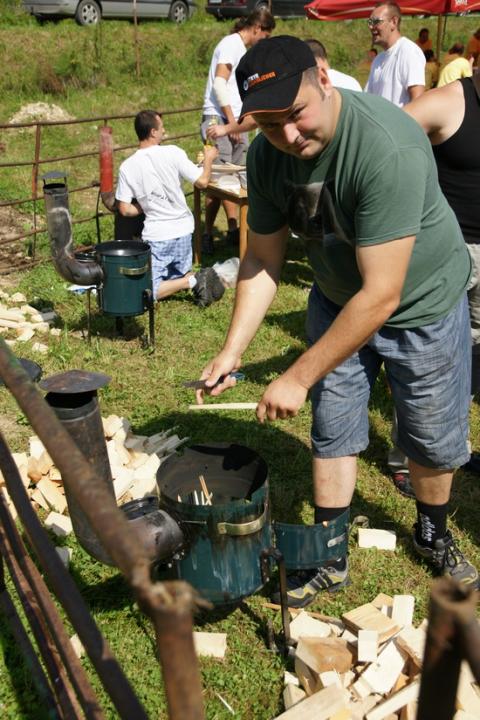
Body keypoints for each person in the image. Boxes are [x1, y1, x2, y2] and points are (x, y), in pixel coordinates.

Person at [196, 35, 478, 607]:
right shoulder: (268, 155)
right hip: (336, 293)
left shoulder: (385, 146)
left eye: (296, 114)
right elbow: (263, 258)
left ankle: (432, 531)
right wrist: (232, 350)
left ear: (323, 79)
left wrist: (296, 376)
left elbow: (382, 295)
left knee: (429, 436)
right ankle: (329, 553)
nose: (288, 135)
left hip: (420, 303)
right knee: (335, 423)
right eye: (269, 124)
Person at [115, 110, 224, 308]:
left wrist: (146, 204)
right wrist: (208, 159)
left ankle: (190, 280)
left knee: (146, 289)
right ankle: (193, 279)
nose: (164, 130)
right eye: (162, 127)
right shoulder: (174, 152)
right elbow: (202, 181)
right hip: (183, 231)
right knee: (166, 282)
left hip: (157, 235)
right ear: (153, 132)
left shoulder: (127, 166)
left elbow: (124, 209)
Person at [200, 8, 275, 255]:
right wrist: (231, 122)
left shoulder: (242, 49)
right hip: (220, 118)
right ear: (257, 28)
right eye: (265, 36)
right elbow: (219, 84)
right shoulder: (231, 44)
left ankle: (234, 229)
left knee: (236, 180)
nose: (264, 41)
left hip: (235, 121)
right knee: (216, 180)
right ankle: (207, 234)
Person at [365, 1, 425, 106]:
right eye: (370, 22)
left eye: (376, 22)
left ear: (393, 22)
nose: (371, 27)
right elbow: (368, 99)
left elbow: (418, 101)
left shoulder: (408, 51)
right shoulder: (378, 60)